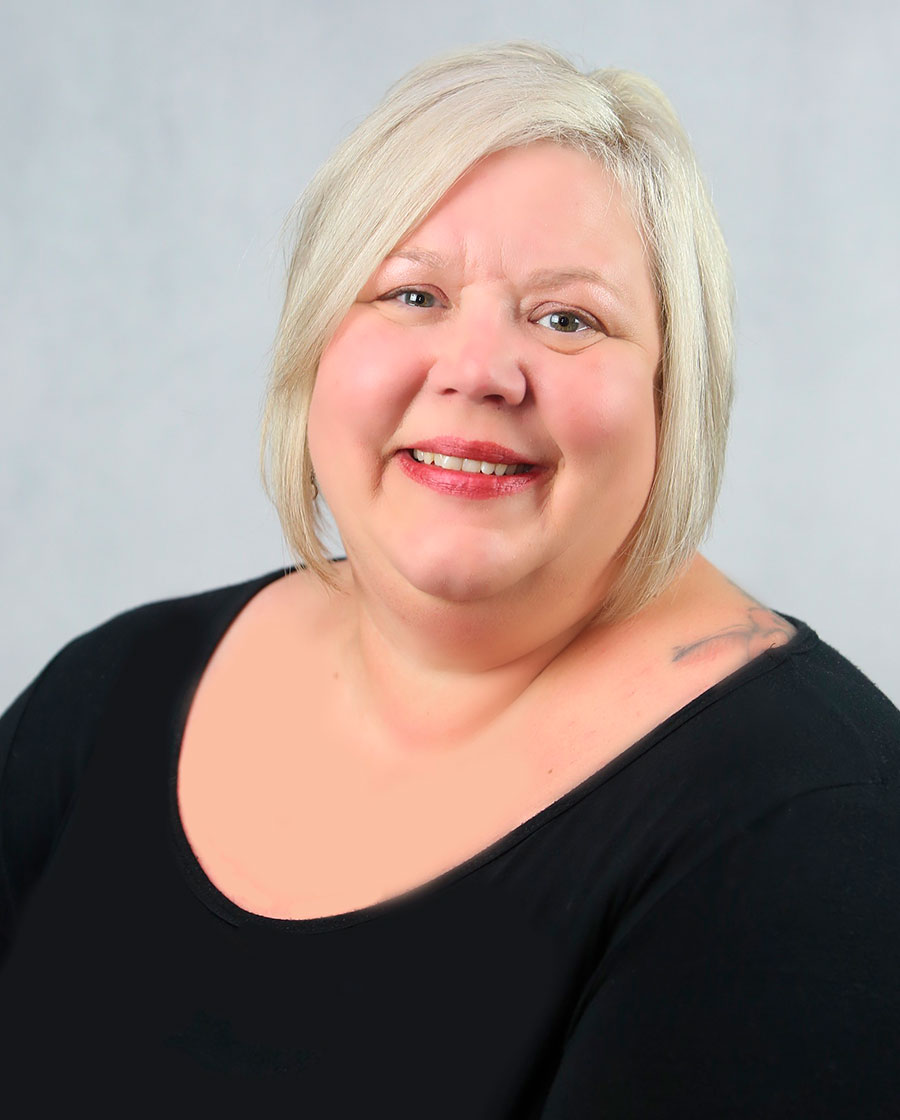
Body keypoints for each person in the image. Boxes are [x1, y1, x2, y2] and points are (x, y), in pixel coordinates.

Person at [0, 41, 898, 1116]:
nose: (477, 370)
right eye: (413, 294)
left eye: (568, 319)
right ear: (314, 351)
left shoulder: (815, 827)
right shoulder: (115, 689)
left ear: (674, 391)